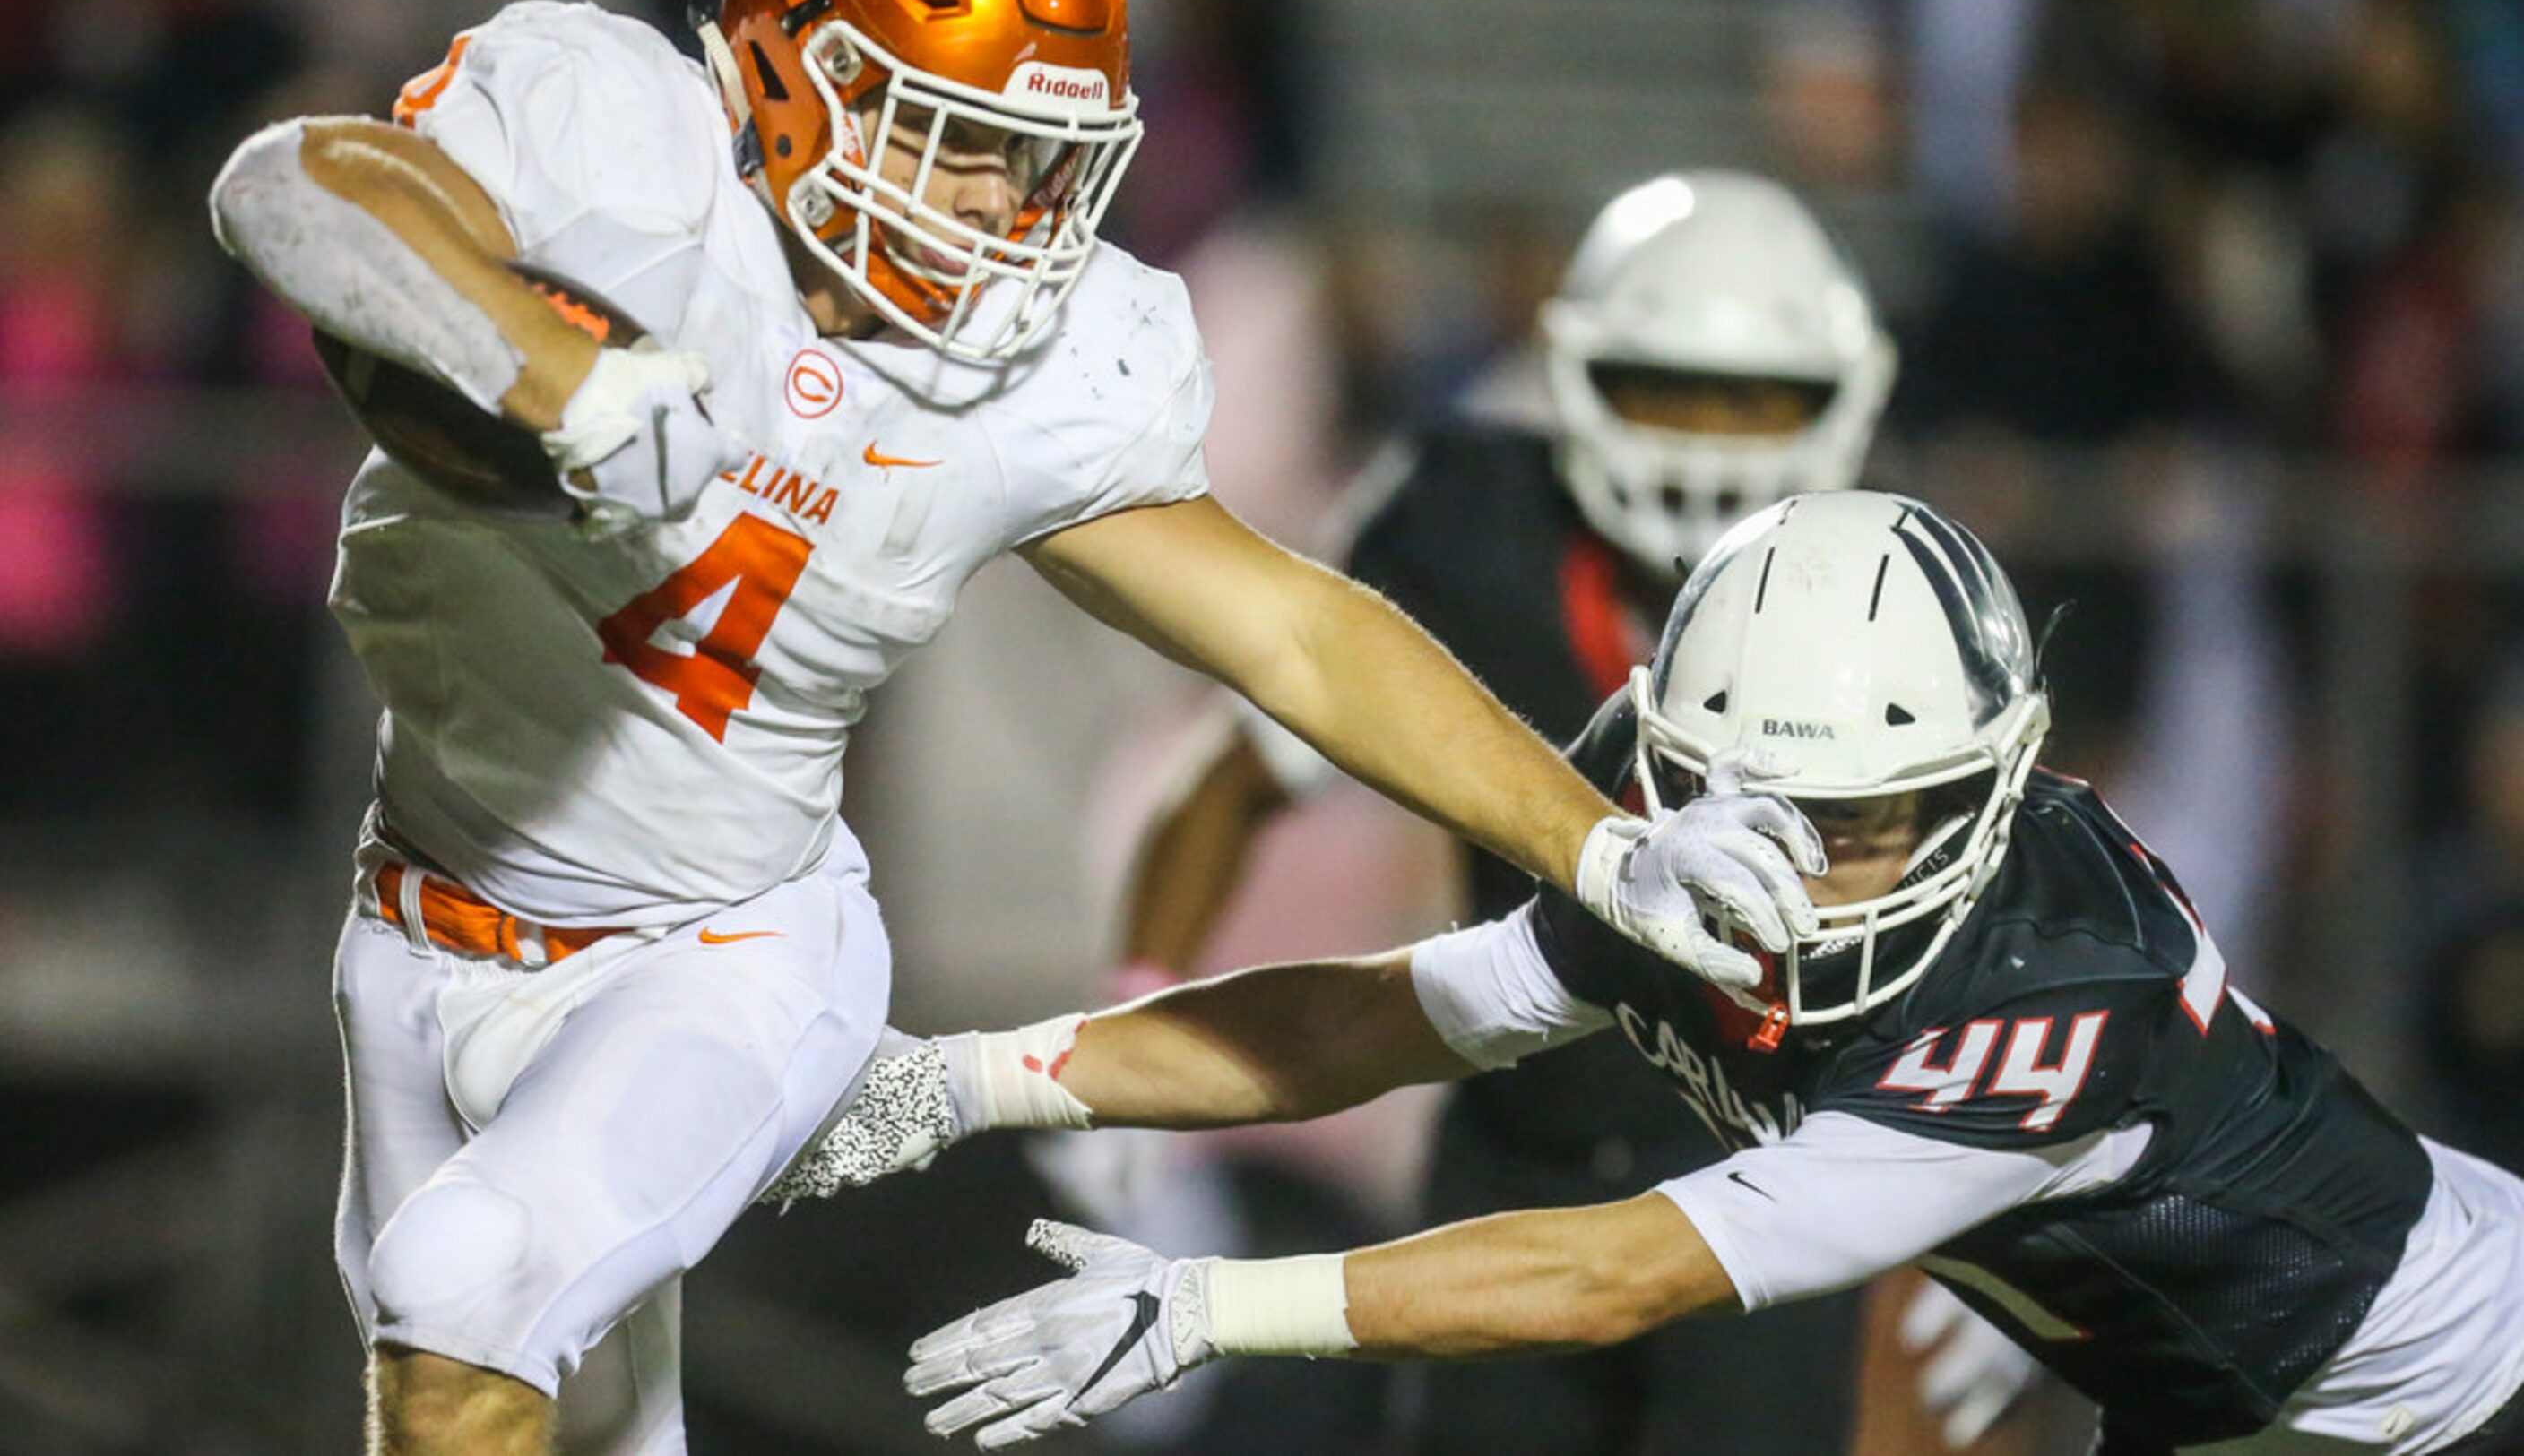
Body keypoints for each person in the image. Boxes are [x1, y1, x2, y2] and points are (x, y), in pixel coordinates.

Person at [204, 0, 1770, 1456]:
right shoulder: (624, 146)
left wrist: (1596, 846)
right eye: (956, 139)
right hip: (417, 921)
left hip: (725, 943)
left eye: (1040, 156)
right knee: (536, 1407)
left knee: (462, 1288)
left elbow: (1294, 634)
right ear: (799, 73)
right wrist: (558, 369)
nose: (1011, 206)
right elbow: (294, 188)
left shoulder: (1045, 375)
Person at [797, 490, 2524, 1454]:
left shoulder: (2057, 992)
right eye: (1743, 797)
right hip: (2194, 1387)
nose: (1795, 858)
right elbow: (1394, 1009)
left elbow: (1628, 1267)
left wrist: (1208, 1306)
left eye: (1861, 817)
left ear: (1988, 781)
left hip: (2434, 1394)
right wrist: (976, 1073)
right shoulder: (1676, 832)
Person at [1095, 170, 2023, 1452]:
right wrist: (1128, 1043)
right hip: (1516, 1163)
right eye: (1669, 385)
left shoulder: (1887, 601)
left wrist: (2007, 1194)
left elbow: (2010, 902)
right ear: (1578, 375)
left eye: (1756, 396)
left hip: (1767, 1187)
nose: (1709, 434)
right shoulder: (1463, 526)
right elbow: (1229, 783)